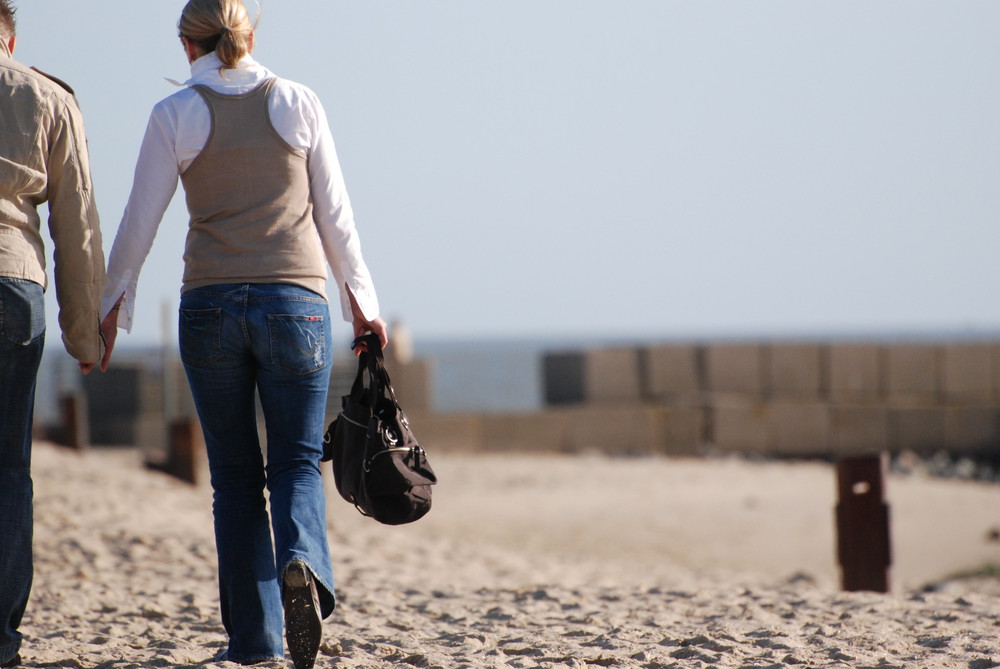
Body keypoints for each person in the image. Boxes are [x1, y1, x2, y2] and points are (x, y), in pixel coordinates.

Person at [98, 1, 387, 666]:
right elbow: (336, 218)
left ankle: (253, 641)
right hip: (297, 305)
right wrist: (363, 305)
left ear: (186, 45)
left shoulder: (174, 114)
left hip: (211, 308)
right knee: (294, 463)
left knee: (234, 479)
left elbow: (138, 222)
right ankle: (303, 564)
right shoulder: (299, 102)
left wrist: (114, 305)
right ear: (252, 36)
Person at [0, 2, 106, 666]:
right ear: (10, 38)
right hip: (15, 285)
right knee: (9, 469)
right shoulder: (47, 98)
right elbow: (79, 228)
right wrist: (85, 334)